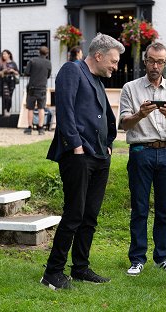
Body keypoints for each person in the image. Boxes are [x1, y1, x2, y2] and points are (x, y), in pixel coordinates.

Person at [41, 33, 125, 290]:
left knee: (90, 216)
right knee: (74, 213)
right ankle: (52, 273)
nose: (115, 66)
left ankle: (80, 268)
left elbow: (101, 115)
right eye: (113, 61)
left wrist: (108, 144)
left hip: (100, 156)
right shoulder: (72, 70)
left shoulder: (98, 79)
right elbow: (65, 111)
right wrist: (76, 146)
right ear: (98, 56)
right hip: (78, 156)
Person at [119, 42, 166, 276]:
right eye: (151, 60)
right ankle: (137, 258)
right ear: (144, 61)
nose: (155, 66)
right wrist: (140, 114)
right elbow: (123, 124)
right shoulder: (130, 87)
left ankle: (163, 257)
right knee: (139, 208)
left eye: (160, 61)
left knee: (165, 209)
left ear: (165, 63)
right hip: (141, 151)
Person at [23, 46, 52, 135]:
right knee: (41, 108)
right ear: (47, 54)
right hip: (42, 88)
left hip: (32, 87)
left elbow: (26, 73)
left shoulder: (32, 61)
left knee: (30, 108)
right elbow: (48, 75)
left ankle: (29, 128)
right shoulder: (48, 63)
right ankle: (41, 128)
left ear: (39, 52)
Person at [0, 49, 19, 117]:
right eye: (3, 54)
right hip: (4, 80)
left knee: (10, 96)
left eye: (5, 54)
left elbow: (17, 73)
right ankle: (5, 110)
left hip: (12, 80)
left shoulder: (13, 63)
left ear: (9, 55)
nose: (4, 55)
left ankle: (8, 110)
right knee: (6, 96)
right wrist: (4, 71)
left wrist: (12, 70)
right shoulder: (1, 64)